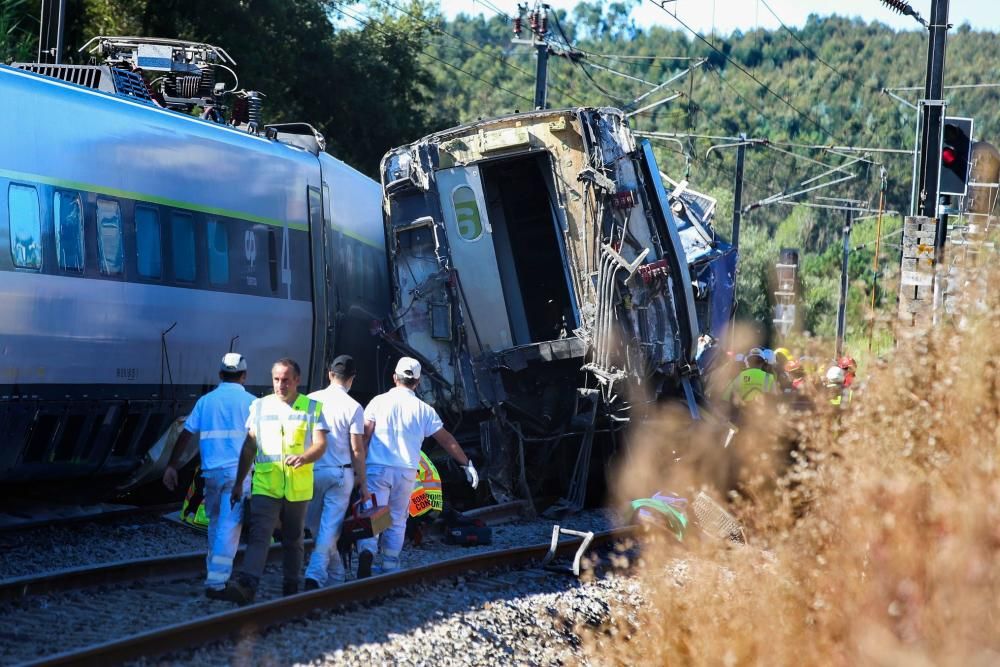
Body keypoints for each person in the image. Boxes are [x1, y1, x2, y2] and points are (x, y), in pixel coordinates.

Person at [218, 358, 329, 605]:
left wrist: (305, 456)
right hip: (265, 485)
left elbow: (321, 444)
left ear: (297, 380)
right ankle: (247, 584)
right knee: (259, 535)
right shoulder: (259, 406)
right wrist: (239, 482)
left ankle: (291, 586)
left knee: (293, 539)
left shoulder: (312, 407)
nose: (280, 385)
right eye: (276, 379)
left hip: (297, 488)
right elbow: (249, 447)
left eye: (286, 380)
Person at [357, 357, 478, 577]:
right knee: (396, 517)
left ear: (395, 378)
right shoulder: (424, 409)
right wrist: (466, 464)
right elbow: (446, 439)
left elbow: (365, 435)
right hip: (406, 471)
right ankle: (390, 564)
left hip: (378, 467)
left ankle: (367, 552)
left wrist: (357, 465)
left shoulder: (378, 401)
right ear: (418, 382)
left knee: (375, 513)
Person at [162, 352, 255, 598]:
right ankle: (216, 583)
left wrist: (172, 466)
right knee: (230, 527)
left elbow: (185, 433)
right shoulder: (252, 403)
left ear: (220, 374)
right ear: (244, 376)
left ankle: (214, 572)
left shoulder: (206, 401)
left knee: (215, 523)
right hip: (238, 475)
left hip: (211, 473)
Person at [303, 355, 370, 590]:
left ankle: (336, 576)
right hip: (341, 475)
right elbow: (356, 449)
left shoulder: (308, 400)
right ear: (351, 379)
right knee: (328, 530)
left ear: (329, 374)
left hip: (311, 471)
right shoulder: (354, 407)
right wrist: (363, 482)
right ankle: (315, 574)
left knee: (316, 528)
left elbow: (299, 435)